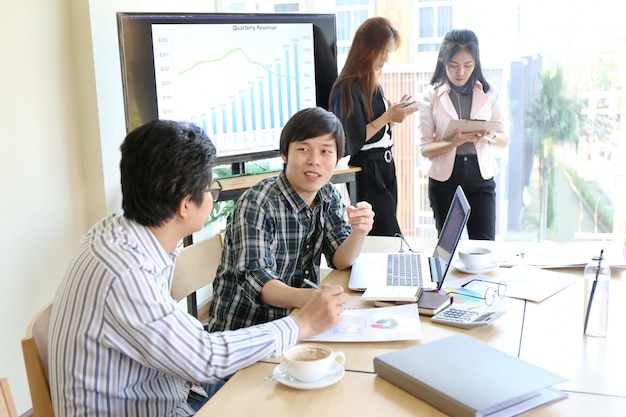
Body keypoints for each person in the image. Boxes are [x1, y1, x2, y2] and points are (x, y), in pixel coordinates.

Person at [48, 120, 349, 417]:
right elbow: (205, 359)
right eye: (211, 188)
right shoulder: (124, 272)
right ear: (184, 205)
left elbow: (180, 347)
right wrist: (302, 324)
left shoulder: (118, 232)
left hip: (172, 388)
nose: (213, 196)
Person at [207, 107, 375, 332]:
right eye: (304, 149)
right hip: (247, 332)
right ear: (284, 154)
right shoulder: (257, 203)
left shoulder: (328, 195)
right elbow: (259, 281)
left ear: (337, 158)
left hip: (298, 324)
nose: (314, 161)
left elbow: (341, 260)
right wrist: (312, 300)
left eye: (325, 151)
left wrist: (359, 232)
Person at [329, 16, 417, 237]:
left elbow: (373, 131)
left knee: (384, 237)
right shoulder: (347, 86)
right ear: (367, 48)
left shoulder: (372, 83)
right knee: (387, 236)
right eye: (383, 51)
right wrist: (388, 116)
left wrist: (392, 115)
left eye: (388, 52)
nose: (386, 59)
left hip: (384, 164)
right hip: (368, 169)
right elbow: (353, 139)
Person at [419, 28, 509, 240]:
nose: (461, 72)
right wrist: (453, 142)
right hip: (444, 181)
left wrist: (488, 135)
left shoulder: (489, 92)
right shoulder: (430, 95)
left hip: (481, 177)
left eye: (468, 65)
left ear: (476, 63)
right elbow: (425, 148)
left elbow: (504, 139)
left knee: (484, 246)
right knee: (450, 247)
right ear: (443, 62)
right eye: (454, 66)